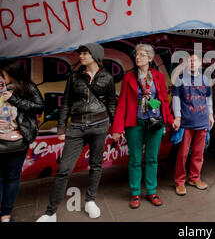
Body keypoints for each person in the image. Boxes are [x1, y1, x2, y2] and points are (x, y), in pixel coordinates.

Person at [37, 43, 116, 222]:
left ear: (95, 55)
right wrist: (61, 127)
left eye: (85, 53)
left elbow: (111, 103)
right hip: (77, 127)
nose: (81, 56)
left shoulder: (108, 77)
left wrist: (112, 126)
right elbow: (65, 103)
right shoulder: (74, 77)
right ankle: (50, 213)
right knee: (64, 169)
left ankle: (90, 201)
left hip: (100, 126)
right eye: (80, 53)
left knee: (96, 165)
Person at [110, 44, 174, 209]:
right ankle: (135, 193)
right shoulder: (129, 77)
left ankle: (152, 191)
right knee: (135, 160)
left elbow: (164, 101)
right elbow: (122, 102)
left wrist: (169, 119)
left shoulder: (159, 76)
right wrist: (117, 128)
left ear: (150, 58)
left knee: (152, 159)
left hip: (155, 122)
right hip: (135, 123)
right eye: (136, 55)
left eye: (141, 55)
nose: (137, 57)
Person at [0, 60, 44, 222]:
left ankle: (6, 214)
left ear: (12, 74)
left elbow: (39, 107)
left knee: (12, 177)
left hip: (18, 140)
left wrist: (14, 99)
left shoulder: (27, 87)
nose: (1, 78)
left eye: (3, 74)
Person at [172, 53, 214, 196]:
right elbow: (176, 99)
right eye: (190, 60)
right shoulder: (180, 79)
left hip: (202, 121)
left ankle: (194, 178)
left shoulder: (205, 79)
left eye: (195, 60)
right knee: (182, 154)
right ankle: (179, 182)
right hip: (186, 122)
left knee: (198, 153)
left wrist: (210, 114)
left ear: (200, 63)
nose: (192, 63)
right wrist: (177, 116)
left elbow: (208, 98)